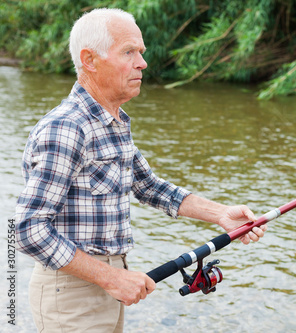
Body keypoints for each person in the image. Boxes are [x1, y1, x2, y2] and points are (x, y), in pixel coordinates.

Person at [15, 8, 267, 332]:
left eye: (141, 52)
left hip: (109, 284)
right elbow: (28, 229)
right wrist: (111, 277)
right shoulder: (67, 127)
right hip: (73, 294)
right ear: (90, 60)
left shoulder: (113, 121)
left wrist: (221, 214)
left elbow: (149, 186)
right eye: (129, 52)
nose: (142, 63)